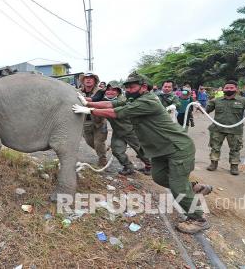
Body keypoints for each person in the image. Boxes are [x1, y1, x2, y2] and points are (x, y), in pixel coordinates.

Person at [73, 74, 212, 234]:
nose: (128, 90)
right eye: (127, 87)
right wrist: (89, 102)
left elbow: (118, 111)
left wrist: (90, 110)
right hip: (160, 149)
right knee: (158, 177)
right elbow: (112, 103)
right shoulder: (133, 98)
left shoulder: (148, 101)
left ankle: (198, 219)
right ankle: (193, 188)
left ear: (144, 87)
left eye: (131, 87)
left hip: (177, 148)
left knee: (177, 185)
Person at [84, 80, 151, 175]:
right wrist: (81, 98)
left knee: (140, 150)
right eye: (108, 90)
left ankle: (150, 166)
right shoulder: (105, 99)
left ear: (118, 91)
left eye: (114, 90)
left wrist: (89, 108)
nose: (110, 92)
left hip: (131, 130)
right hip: (118, 131)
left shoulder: (123, 100)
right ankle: (128, 167)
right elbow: (94, 100)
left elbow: (108, 106)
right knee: (117, 150)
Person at [205, 80, 245, 175]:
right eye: (227, 88)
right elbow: (206, 111)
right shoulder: (216, 100)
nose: (229, 89)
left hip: (235, 130)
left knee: (235, 149)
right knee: (215, 147)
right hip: (217, 129)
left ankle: (234, 166)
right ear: (223, 89)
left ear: (236, 89)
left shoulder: (243, 100)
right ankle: (213, 163)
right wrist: (198, 105)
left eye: (231, 88)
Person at [79, 72, 108, 166]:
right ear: (83, 81)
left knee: (99, 143)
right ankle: (103, 150)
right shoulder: (78, 92)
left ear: (95, 81)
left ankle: (102, 160)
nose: (88, 79)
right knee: (90, 142)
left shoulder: (101, 91)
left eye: (91, 78)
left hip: (100, 121)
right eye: (86, 78)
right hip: (85, 122)